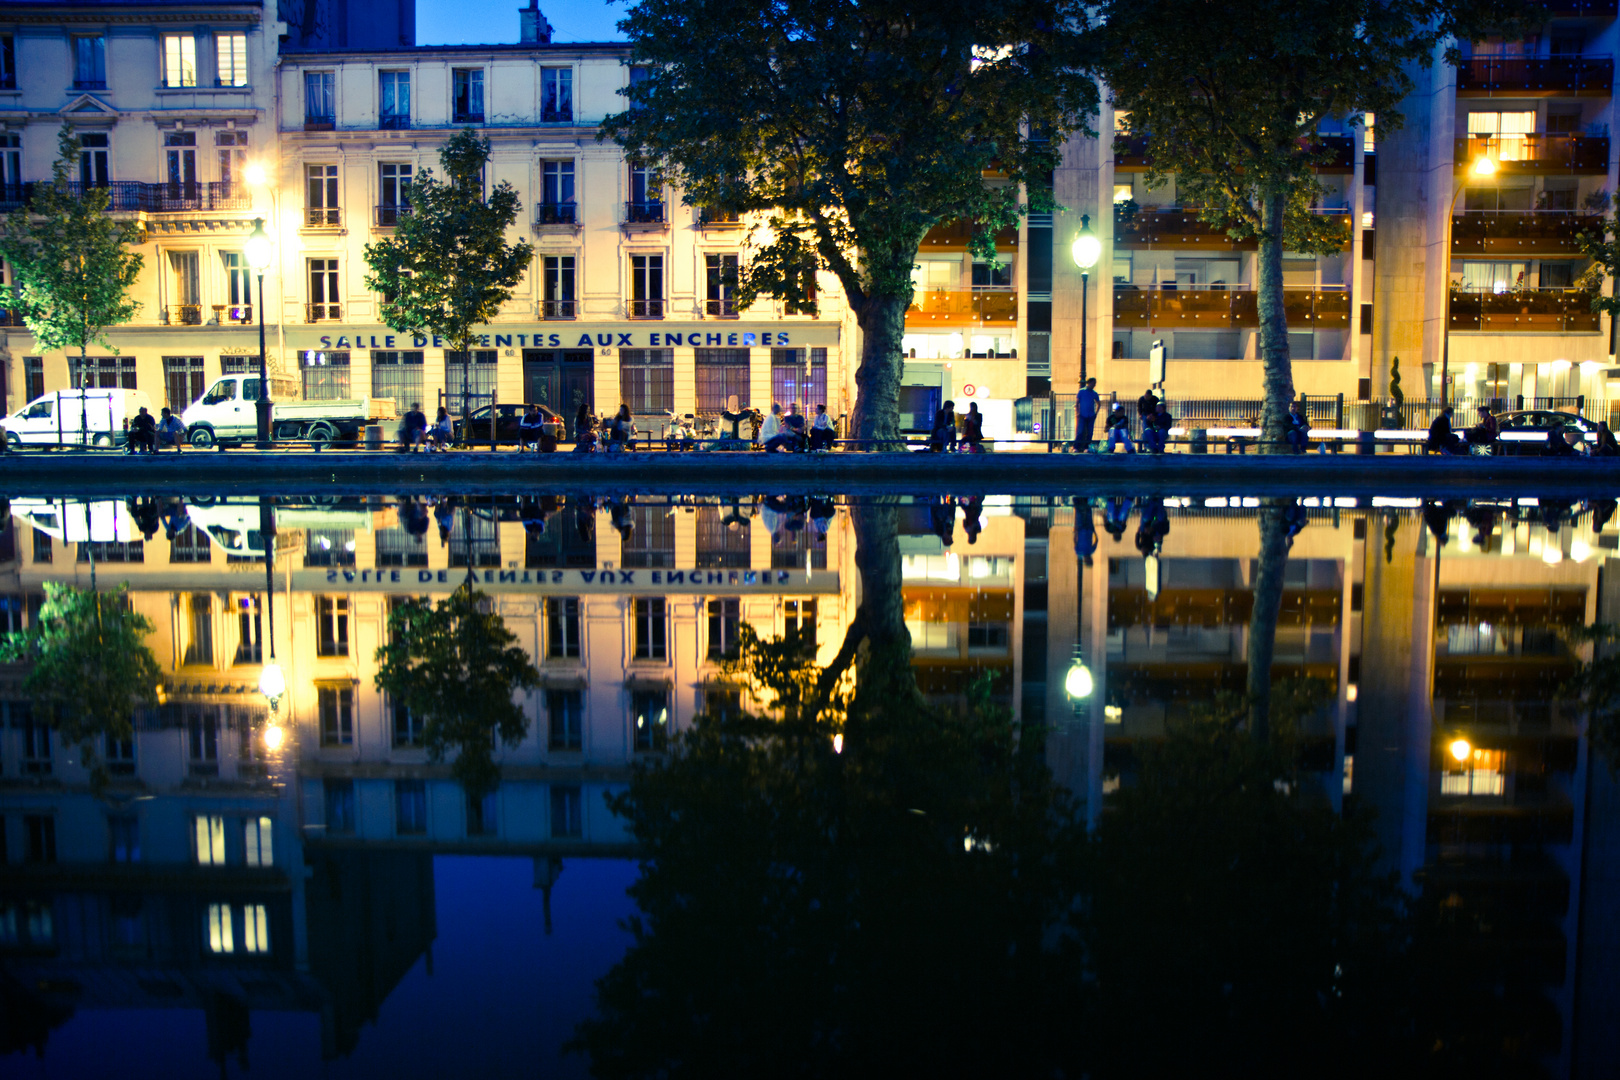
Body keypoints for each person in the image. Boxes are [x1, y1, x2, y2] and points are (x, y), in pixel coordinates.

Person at [1073, 377, 1100, 452]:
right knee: (1080, 431)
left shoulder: (1094, 393)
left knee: (1090, 432)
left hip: (1091, 415)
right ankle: (1076, 447)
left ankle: (1086, 447)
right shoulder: (1081, 391)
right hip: (1082, 414)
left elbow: (1099, 403)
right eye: (1093, 383)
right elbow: (1077, 403)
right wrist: (1078, 412)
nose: (1094, 385)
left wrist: (1096, 413)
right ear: (1089, 383)